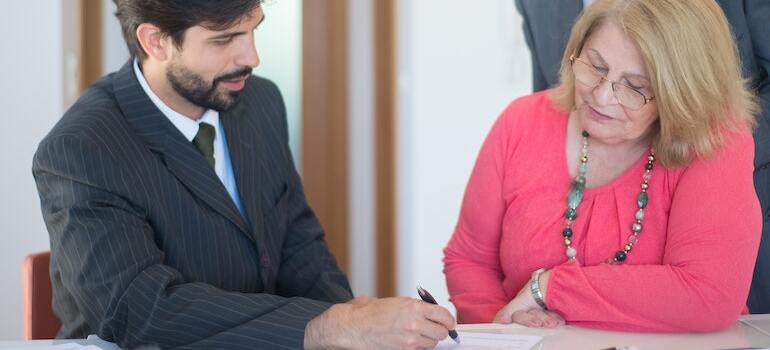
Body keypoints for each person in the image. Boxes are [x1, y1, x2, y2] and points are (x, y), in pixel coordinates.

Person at [32, 1, 455, 349]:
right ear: (156, 41)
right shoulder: (81, 147)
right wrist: (329, 327)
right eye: (225, 39)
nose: (252, 57)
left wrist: (353, 321)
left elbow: (298, 243)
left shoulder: (260, 103)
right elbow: (138, 310)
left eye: (253, 30)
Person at [444, 0, 762, 332]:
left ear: (681, 94)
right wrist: (505, 326)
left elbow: (707, 295)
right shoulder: (521, 122)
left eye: (635, 87)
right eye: (596, 67)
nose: (602, 96)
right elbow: (469, 260)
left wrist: (551, 289)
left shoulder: (716, 139)